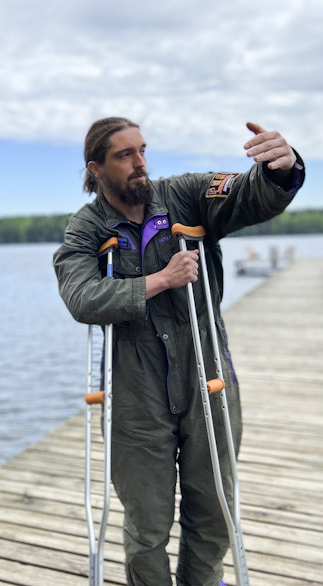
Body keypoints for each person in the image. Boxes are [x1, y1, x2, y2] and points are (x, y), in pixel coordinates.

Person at [53, 117, 304, 586]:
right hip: (135, 391)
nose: (139, 163)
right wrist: (161, 280)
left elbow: (248, 195)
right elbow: (81, 298)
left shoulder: (186, 195)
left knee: (213, 513)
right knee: (146, 526)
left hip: (207, 375)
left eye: (142, 150)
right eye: (125, 155)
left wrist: (279, 170)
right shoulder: (85, 230)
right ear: (96, 168)